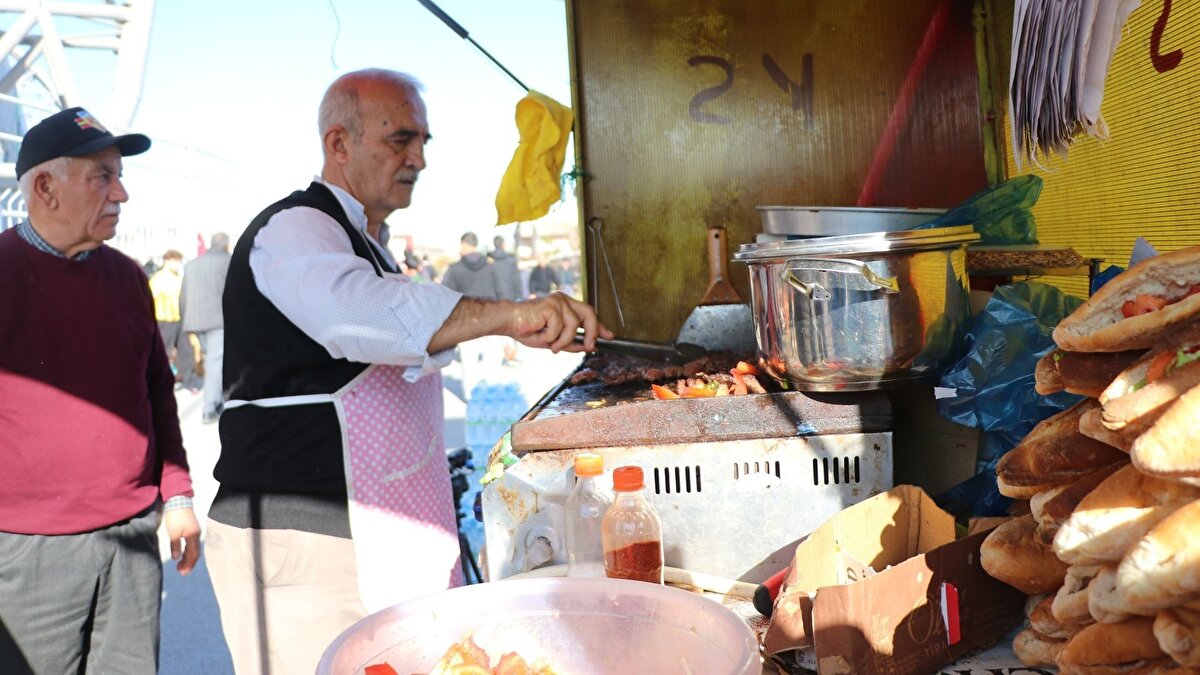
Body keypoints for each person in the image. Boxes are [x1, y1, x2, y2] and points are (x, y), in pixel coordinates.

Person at [205, 69, 612, 675]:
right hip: (306, 542)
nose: (418, 158)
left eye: (423, 141)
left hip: (365, 538)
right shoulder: (293, 228)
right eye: (401, 139)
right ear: (339, 143)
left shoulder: (366, 241)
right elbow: (362, 315)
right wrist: (510, 315)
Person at [0, 107, 200, 674]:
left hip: (132, 536)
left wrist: (178, 497)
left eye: (120, 175)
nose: (121, 193)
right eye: (102, 177)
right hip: (29, 549)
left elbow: (158, 394)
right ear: (45, 188)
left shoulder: (129, 277)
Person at [180, 231, 231, 424]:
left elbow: (183, 296)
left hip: (195, 320)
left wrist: (185, 320)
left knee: (212, 362)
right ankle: (210, 408)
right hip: (217, 320)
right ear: (226, 245)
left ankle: (215, 402)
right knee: (215, 364)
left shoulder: (193, 264)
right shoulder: (227, 261)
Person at [149, 248, 200, 390]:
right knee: (164, 352)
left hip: (179, 319)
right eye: (175, 261)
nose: (178, 265)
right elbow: (150, 300)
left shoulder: (178, 278)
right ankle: (160, 383)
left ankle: (190, 382)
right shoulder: (157, 279)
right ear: (167, 261)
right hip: (164, 320)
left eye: (179, 262)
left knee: (186, 351)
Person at [440, 231, 499, 300]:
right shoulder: (492, 267)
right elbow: (501, 292)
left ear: (463, 244)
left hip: (464, 306)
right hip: (488, 306)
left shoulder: (455, 269)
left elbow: (445, 295)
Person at [489, 234, 523, 301]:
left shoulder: (490, 261)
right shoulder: (511, 260)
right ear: (503, 244)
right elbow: (517, 280)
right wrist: (519, 296)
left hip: (495, 299)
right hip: (511, 298)